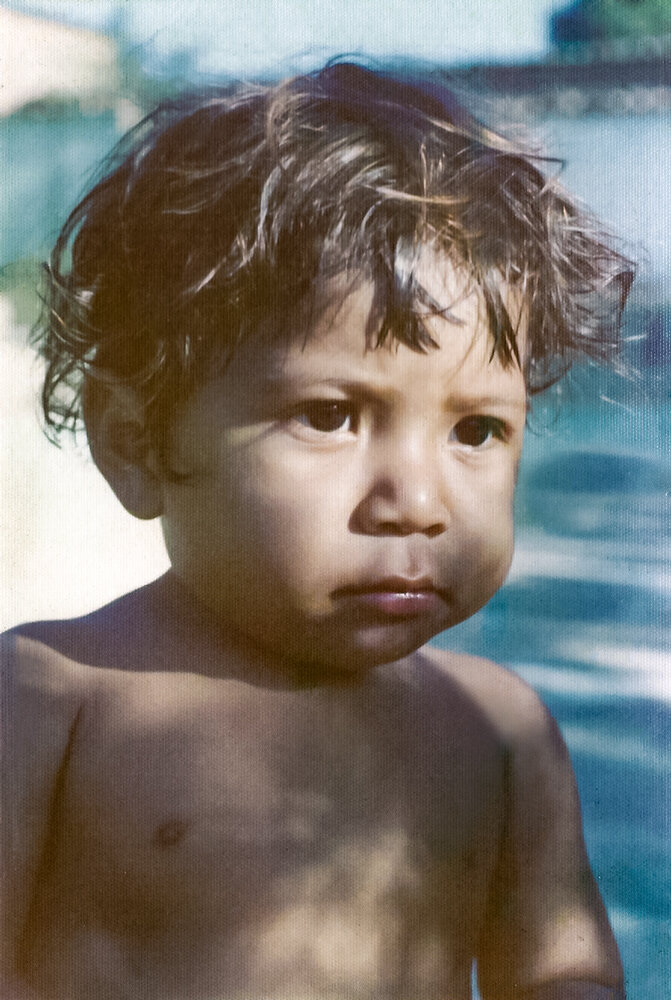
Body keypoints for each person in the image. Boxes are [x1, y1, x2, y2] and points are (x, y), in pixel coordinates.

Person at [1, 62, 631, 1000]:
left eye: (475, 430)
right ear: (134, 443)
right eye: (331, 414)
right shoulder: (54, 696)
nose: (416, 499)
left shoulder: (500, 734)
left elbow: (560, 972)